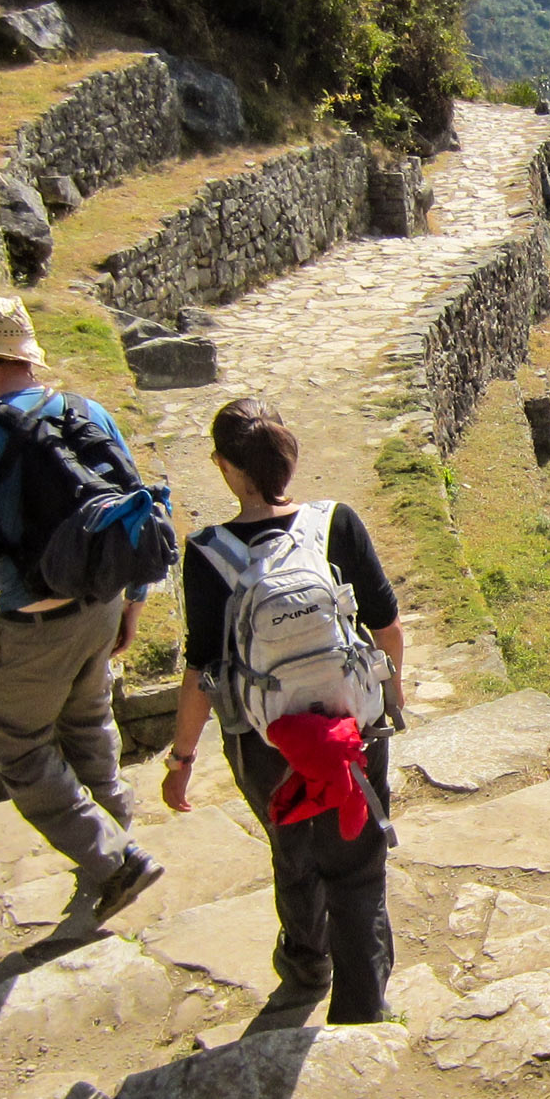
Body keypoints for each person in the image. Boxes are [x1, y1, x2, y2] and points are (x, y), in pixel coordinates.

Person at [0, 293, 165, 923]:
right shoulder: (88, 409)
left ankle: (114, 857)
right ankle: (117, 826)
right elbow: (136, 502)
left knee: (20, 750)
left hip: (35, 616)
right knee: (86, 718)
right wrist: (134, 600)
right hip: (101, 600)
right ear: (26, 358)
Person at [165, 398, 403, 1022]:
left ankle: (305, 963)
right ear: (288, 459)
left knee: (292, 843)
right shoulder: (336, 524)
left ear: (224, 468)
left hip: (265, 739)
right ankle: (362, 1011)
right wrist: (389, 700)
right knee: (356, 866)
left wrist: (181, 757)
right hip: (351, 730)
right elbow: (388, 626)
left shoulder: (209, 552)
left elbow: (201, 669)